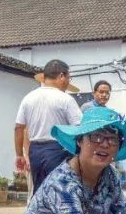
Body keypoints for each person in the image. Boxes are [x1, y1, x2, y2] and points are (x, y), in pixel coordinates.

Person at [14, 60, 82, 193]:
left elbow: (18, 128)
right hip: (58, 150)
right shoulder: (66, 99)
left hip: (35, 152)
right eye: (69, 78)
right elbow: (79, 128)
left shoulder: (28, 98)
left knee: (40, 192)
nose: (68, 82)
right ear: (62, 76)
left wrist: (19, 155)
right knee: (60, 192)